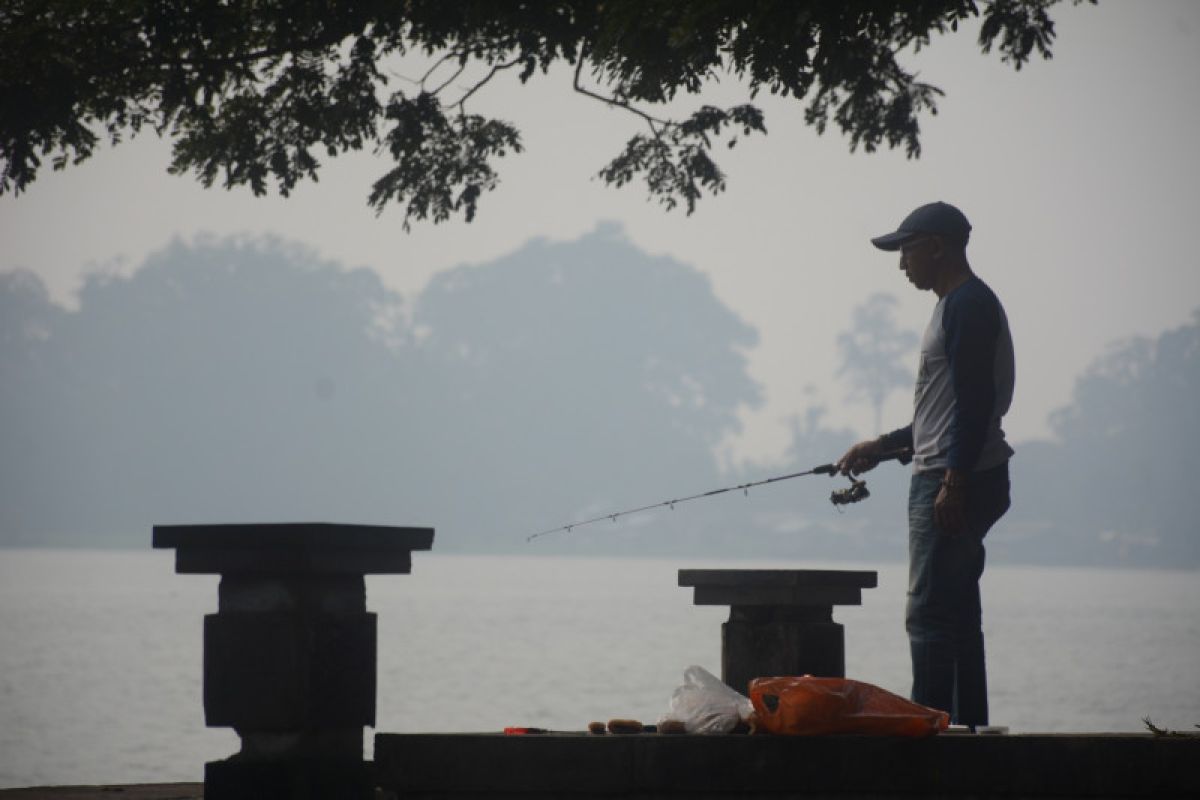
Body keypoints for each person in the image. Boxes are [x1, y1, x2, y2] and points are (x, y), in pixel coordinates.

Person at [837, 201, 1014, 729]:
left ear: (937, 246)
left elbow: (974, 403)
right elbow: (944, 413)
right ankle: (963, 729)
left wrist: (954, 481)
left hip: (950, 479)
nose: (901, 264)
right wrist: (884, 445)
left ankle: (931, 735)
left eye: (907, 250)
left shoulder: (967, 305)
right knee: (956, 614)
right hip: (950, 471)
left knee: (930, 614)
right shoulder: (953, 305)